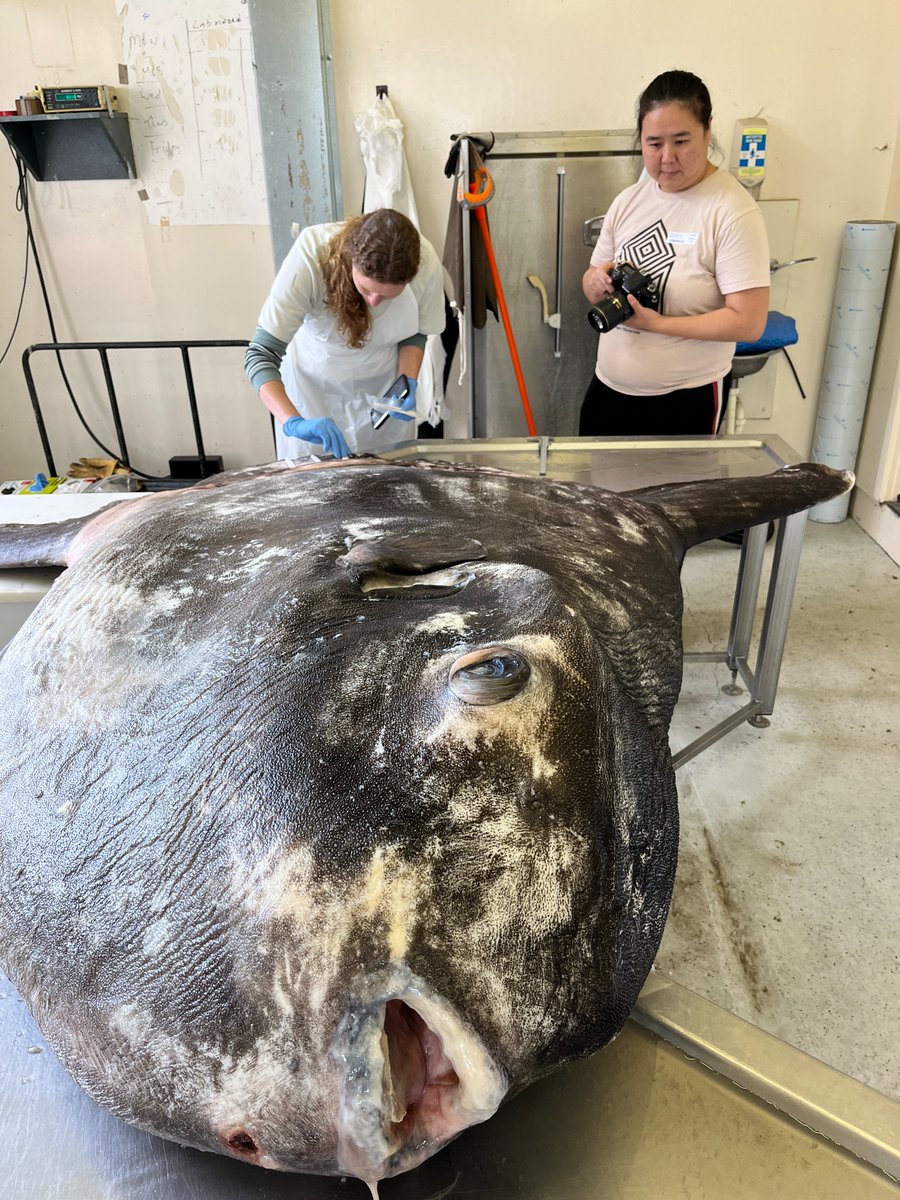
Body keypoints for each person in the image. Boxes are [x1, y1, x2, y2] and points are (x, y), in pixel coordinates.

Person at [580, 70, 770, 437]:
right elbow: (589, 284)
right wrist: (596, 281)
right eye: (654, 144)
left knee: (673, 497)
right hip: (608, 390)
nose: (667, 158)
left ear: (707, 130)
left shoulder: (732, 211)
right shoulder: (629, 200)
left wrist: (658, 325)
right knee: (596, 494)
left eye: (681, 141)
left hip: (684, 402)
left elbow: (749, 322)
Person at [245, 208, 445, 459]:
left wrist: (406, 382)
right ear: (351, 259)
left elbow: (415, 332)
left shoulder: (424, 263)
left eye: (387, 295)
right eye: (366, 288)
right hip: (313, 396)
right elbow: (261, 354)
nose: (374, 302)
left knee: (386, 488)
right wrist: (293, 421)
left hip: (382, 397)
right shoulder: (311, 257)